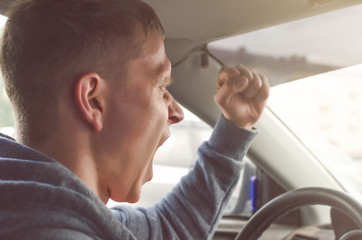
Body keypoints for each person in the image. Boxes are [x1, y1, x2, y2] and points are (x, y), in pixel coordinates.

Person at [0, 0, 269, 239]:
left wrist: (235, 128)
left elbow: (170, 227)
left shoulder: (54, 209)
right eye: (162, 87)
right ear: (93, 100)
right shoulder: (49, 229)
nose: (177, 112)